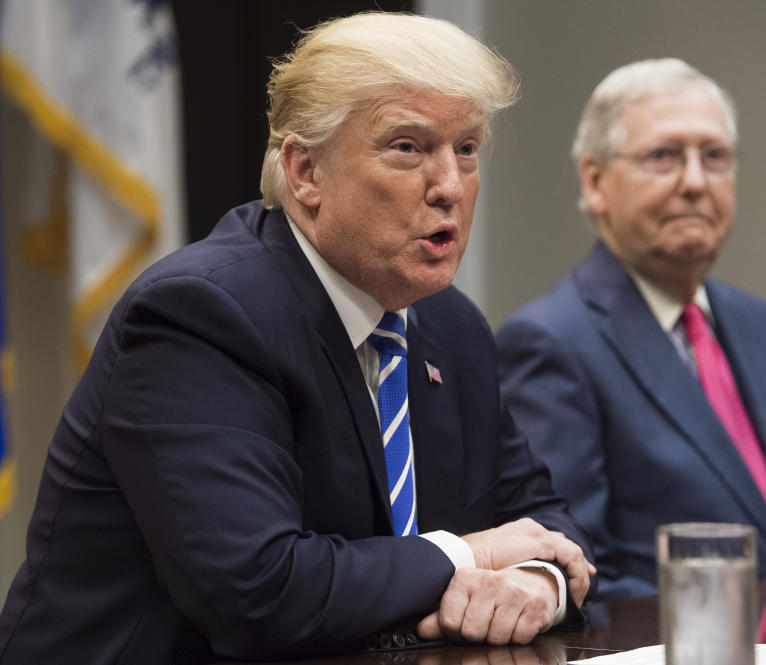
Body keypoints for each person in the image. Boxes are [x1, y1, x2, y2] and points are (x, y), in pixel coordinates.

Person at [0, 12, 596, 664]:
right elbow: (261, 590)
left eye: (467, 148)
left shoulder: (451, 327)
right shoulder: (200, 316)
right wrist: (472, 552)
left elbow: (544, 521)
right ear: (305, 171)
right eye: (407, 146)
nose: (450, 186)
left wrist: (538, 582)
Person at [496, 58, 766, 601]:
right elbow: (578, 575)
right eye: (663, 156)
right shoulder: (551, 341)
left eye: (714, 157)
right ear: (595, 182)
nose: (694, 181)